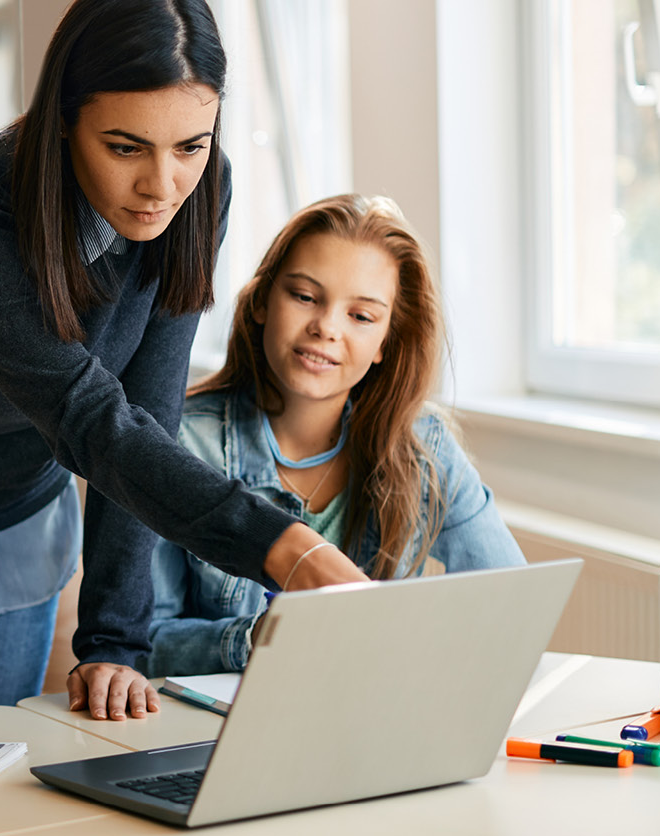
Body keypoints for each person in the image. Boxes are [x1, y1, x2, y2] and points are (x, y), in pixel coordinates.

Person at [0, 0, 367, 718]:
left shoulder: (201, 187)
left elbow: (145, 410)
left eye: (190, 145)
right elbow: (86, 416)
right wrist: (283, 546)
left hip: (12, 522)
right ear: (64, 120)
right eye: (125, 147)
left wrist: (115, 641)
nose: (162, 186)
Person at [142, 194, 527, 678]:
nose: (325, 327)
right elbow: (139, 643)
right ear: (262, 301)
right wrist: (257, 638)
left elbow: (512, 602)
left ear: (386, 341)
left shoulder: (423, 445)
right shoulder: (176, 442)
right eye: (304, 296)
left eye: (361, 316)